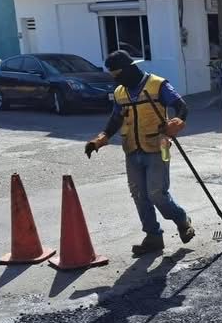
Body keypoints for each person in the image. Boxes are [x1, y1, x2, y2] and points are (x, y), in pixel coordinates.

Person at [84, 50, 195, 256]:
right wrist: (99, 140)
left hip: (159, 147)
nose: (115, 79)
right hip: (132, 150)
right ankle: (153, 237)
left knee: (156, 194)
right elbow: (115, 119)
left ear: (129, 69)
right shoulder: (120, 92)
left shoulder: (157, 84)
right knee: (139, 195)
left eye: (117, 74)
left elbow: (181, 105)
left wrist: (178, 121)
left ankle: (181, 220)